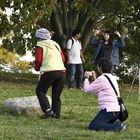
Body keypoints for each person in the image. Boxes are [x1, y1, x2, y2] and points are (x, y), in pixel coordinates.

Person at [83, 57, 127, 131]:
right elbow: (101, 89)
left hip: (108, 110)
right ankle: (114, 122)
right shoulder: (112, 78)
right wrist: (95, 78)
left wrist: (86, 78)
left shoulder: (102, 78)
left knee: (93, 125)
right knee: (101, 123)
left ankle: (118, 127)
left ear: (100, 67)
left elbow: (87, 89)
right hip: (116, 110)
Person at [34, 28, 66, 119]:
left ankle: (48, 110)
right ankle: (56, 115)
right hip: (62, 72)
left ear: (39, 37)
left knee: (40, 90)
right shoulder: (56, 44)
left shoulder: (40, 45)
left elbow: (38, 60)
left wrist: (37, 68)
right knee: (56, 95)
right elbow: (63, 59)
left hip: (49, 71)